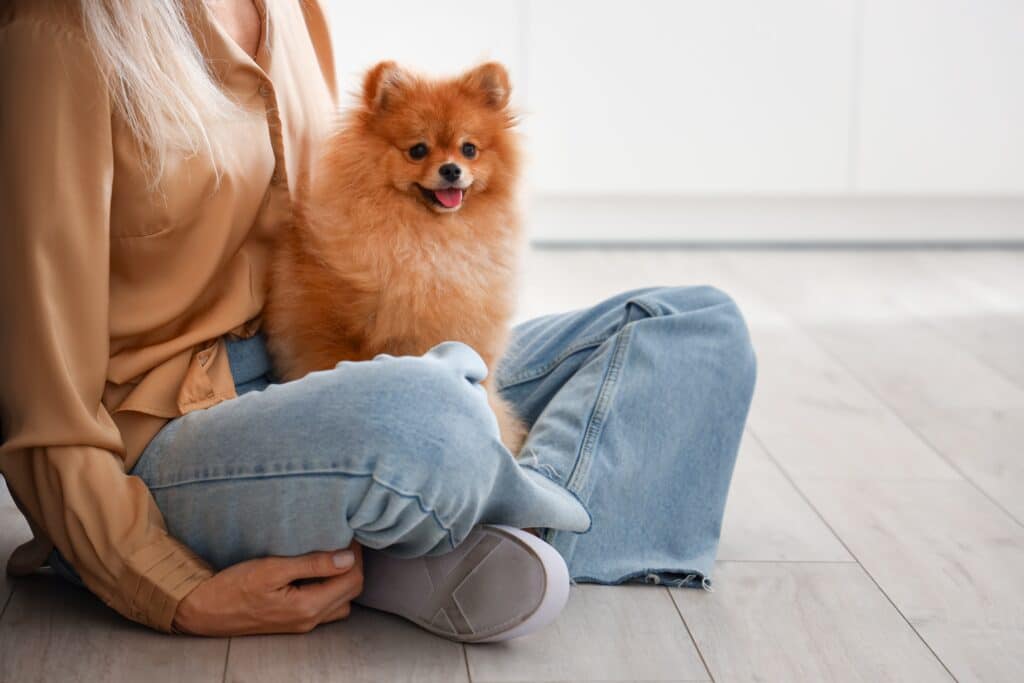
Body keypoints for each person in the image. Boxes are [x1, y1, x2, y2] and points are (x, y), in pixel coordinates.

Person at [0, 0, 756, 640]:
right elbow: (40, 395)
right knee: (433, 410)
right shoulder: (61, 35)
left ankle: (460, 535)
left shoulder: (289, 11)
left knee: (693, 326)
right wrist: (167, 587)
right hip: (172, 431)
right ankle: (488, 522)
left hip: (323, 362)